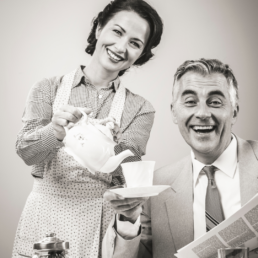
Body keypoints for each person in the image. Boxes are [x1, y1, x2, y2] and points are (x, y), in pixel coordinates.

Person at [12, 0, 163, 257]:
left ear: (141, 55)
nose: (121, 47)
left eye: (135, 43)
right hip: (44, 218)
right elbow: (26, 153)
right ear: (99, 29)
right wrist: (55, 131)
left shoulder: (140, 108)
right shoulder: (47, 88)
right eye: (117, 31)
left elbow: (130, 175)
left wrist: (107, 141)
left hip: (99, 220)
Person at [102, 58, 258, 258]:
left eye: (215, 102)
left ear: (234, 112)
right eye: (191, 102)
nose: (202, 113)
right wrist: (130, 221)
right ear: (174, 112)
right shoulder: (154, 187)